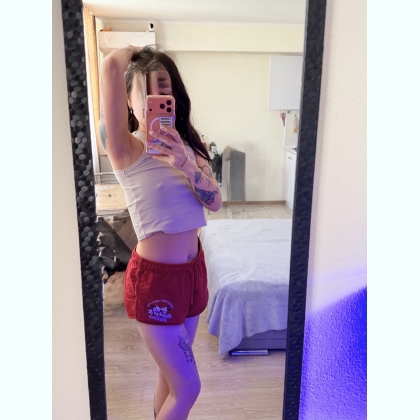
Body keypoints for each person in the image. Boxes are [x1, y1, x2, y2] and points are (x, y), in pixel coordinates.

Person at [99, 45, 222, 419]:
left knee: (169, 380)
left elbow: (215, 202)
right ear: (129, 102)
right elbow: (111, 65)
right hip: (155, 282)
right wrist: (138, 52)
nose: (158, 100)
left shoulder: (191, 146)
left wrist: (186, 163)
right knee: (189, 387)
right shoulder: (125, 149)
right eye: (147, 93)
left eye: (164, 91)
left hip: (193, 274)